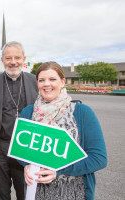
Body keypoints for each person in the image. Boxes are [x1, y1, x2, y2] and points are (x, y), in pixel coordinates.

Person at [19, 61, 107, 200]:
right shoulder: (28, 112)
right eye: (42, 80)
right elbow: (21, 152)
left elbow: (98, 158)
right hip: (36, 192)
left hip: (73, 193)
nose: (46, 84)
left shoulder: (82, 112)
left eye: (52, 79)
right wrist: (26, 165)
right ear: (37, 83)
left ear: (63, 82)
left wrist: (58, 169)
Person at [0, 41, 38, 200]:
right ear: (2, 60)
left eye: (17, 57)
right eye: (8, 58)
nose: (13, 62)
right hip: (0, 146)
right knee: (1, 194)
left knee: (25, 192)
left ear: (24, 59)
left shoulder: (34, 81)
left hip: (26, 147)